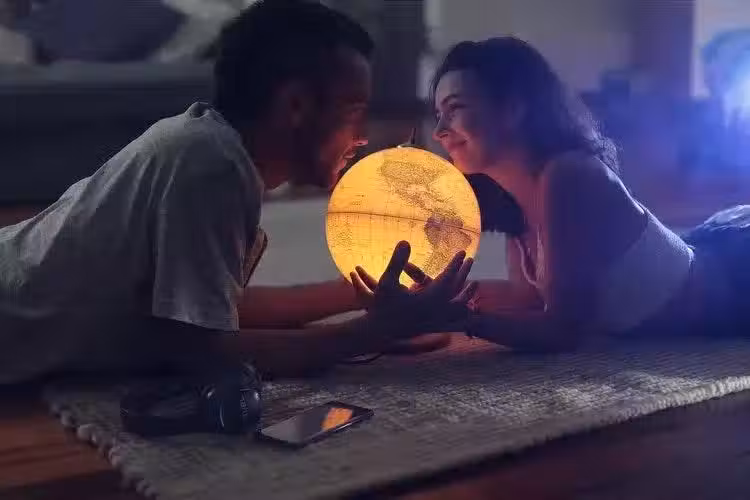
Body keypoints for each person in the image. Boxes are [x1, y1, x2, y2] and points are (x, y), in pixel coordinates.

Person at [0, 0, 475, 384]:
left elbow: (213, 311)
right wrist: (372, 334)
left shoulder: (208, 147)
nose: (363, 136)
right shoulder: (210, 166)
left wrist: (359, 296)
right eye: (353, 111)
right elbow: (202, 350)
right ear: (295, 105)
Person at [429, 36, 746, 351]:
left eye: (455, 108)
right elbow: (505, 301)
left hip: (737, 278)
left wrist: (460, 320)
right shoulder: (500, 199)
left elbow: (562, 331)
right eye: (438, 114)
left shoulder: (569, 174)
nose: (439, 131)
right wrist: (429, 297)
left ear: (513, 108)